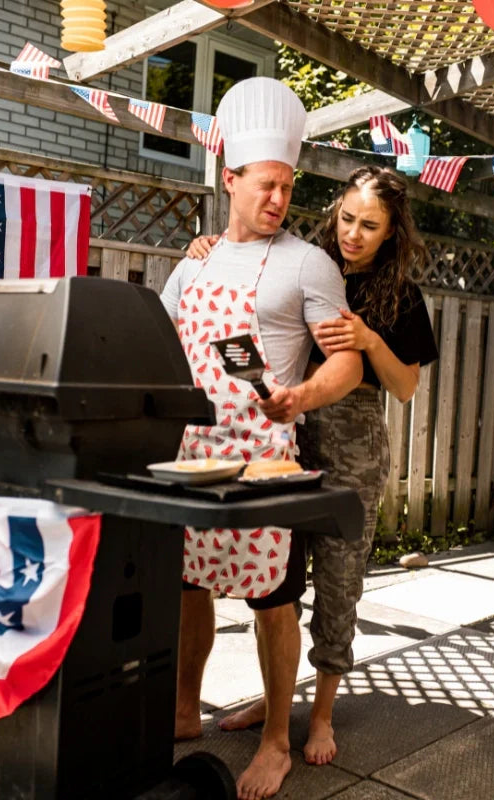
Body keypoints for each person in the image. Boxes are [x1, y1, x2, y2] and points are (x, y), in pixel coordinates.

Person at [186, 165, 439, 766]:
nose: (352, 233)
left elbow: (404, 388)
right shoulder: (302, 258)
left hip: (352, 445)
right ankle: (279, 702)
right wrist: (207, 247)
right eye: (346, 218)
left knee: (338, 581)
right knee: (278, 582)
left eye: (369, 225)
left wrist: (370, 340)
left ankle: (319, 715)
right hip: (289, 437)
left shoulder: (401, 293)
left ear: (390, 231)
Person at [159, 77, 363, 800]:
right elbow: (159, 343)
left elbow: (347, 360)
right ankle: (185, 709)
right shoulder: (195, 262)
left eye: (287, 186)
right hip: (193, 455)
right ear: (230, 178)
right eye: (266, 185)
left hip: (269, 456)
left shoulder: (309, 262)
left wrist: (300, 396)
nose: (278, 199)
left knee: (272, 599)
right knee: (188, 587)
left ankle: (276, 739)